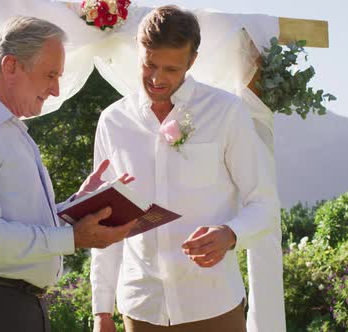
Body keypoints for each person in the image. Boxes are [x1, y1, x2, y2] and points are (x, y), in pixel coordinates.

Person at [0, 16, 136, 332]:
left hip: (15, 308)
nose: (56, 90)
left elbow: (19, 223)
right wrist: (73, 238)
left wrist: (76, 207)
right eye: (50, 75)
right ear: (11, 66)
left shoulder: (13, 131)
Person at [90, 6, 280, 332]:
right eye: (149, 64)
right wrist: (101, 310)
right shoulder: (113, 121)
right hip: (140, 307)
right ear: (138, 51)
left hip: (214, 303)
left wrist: (231, 234)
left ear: (192, 62)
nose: (157, 78)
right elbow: (106, 216)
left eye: (170, 69)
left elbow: (264, 204)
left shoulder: (226, 112)